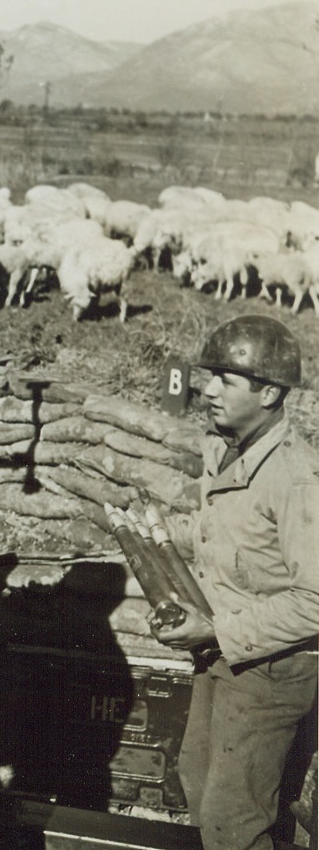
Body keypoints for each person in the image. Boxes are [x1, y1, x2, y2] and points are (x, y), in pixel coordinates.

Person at [152, 315, 319, 850]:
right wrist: (154, 533)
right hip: (223, 656)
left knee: (232, 819)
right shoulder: (230, 451)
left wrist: (217, 629)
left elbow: (315, 599)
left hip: (271, 669)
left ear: (270, 392)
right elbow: (223, 534)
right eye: (208, 376)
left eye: (226, 379)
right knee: (198, 785)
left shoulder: (294, 478)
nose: (206, 389)